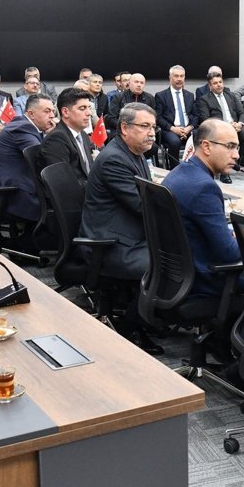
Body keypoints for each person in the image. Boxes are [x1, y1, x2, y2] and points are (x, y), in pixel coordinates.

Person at [79, 102, 160, 353]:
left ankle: (150, 316)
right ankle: (130, 326)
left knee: (180, 254)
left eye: (153, 127)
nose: (152, 133)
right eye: (145, 126)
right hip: (110, 244)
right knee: (170, 266)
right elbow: (143, 206)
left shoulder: (134, 152)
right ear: (124, 128)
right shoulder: (114, 159)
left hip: (129, 233)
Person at [161, 119, 243, 301]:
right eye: (230, 147)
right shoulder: (205, 188)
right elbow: (230, 254)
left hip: (174, 279)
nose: (236, 155)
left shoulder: (179, 172)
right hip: (205, 282)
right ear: (206, 146)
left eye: (237, 148)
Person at [0, 93, 55, 223]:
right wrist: (53, 136)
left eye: (53, 111)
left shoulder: (25, 125)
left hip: (19, 182)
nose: (52, 116)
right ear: (31, 114)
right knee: (59, 209)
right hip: (12, 192)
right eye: (47, 111)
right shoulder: (23, 128)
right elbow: (42, 159)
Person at [193, 72, 244, 182]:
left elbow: (242, 113)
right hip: (218, 130)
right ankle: (224, 172)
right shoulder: (204, 99)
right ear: (210, 85)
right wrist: (226, 126)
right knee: (222, 140)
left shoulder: (231, 95)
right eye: (215, 83)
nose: (219, 85)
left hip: (236, 127)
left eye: (220, 82)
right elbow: (206, 119)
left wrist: (240, 123)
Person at [42, 87, 96, 181]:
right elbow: (63, 181)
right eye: (82, 108)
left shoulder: (83, 134)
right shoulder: (56, 139)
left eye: (89, 108)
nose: (89, 113)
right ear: (65, 112)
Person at [155, 65, 196, 165]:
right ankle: (175, 169)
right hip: (170, 129)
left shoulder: (190, 95)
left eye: (182, 76)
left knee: (201, 137)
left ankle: (195, 168)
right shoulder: (161, 96)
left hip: (188, 129)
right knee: (175, 142)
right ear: (170, 78)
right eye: (176, 76)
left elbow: (196, 115)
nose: (179, 79)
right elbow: (158, 117)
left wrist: (189, 128)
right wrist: (173, 128)